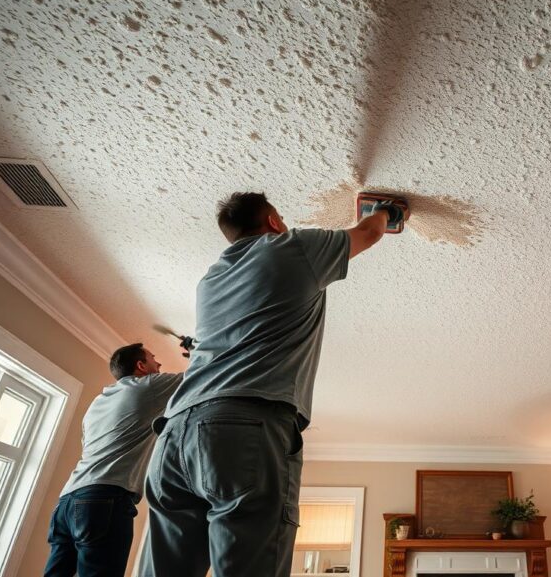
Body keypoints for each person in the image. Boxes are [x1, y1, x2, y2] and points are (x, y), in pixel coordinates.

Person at [142, 191, 403, 576]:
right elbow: (368, 233)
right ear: (274, 222)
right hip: (241, 430)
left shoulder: (210, 281)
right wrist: (385, 211)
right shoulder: (291, 248)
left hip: (173, 435)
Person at [44, 344, 183, 577]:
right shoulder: (147, 386)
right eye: (153, 358)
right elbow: (197, 375)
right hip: (103, 499)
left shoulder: (97, 403)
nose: (158, 364)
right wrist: (196, 349)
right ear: (140, 366)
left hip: (66, 503)